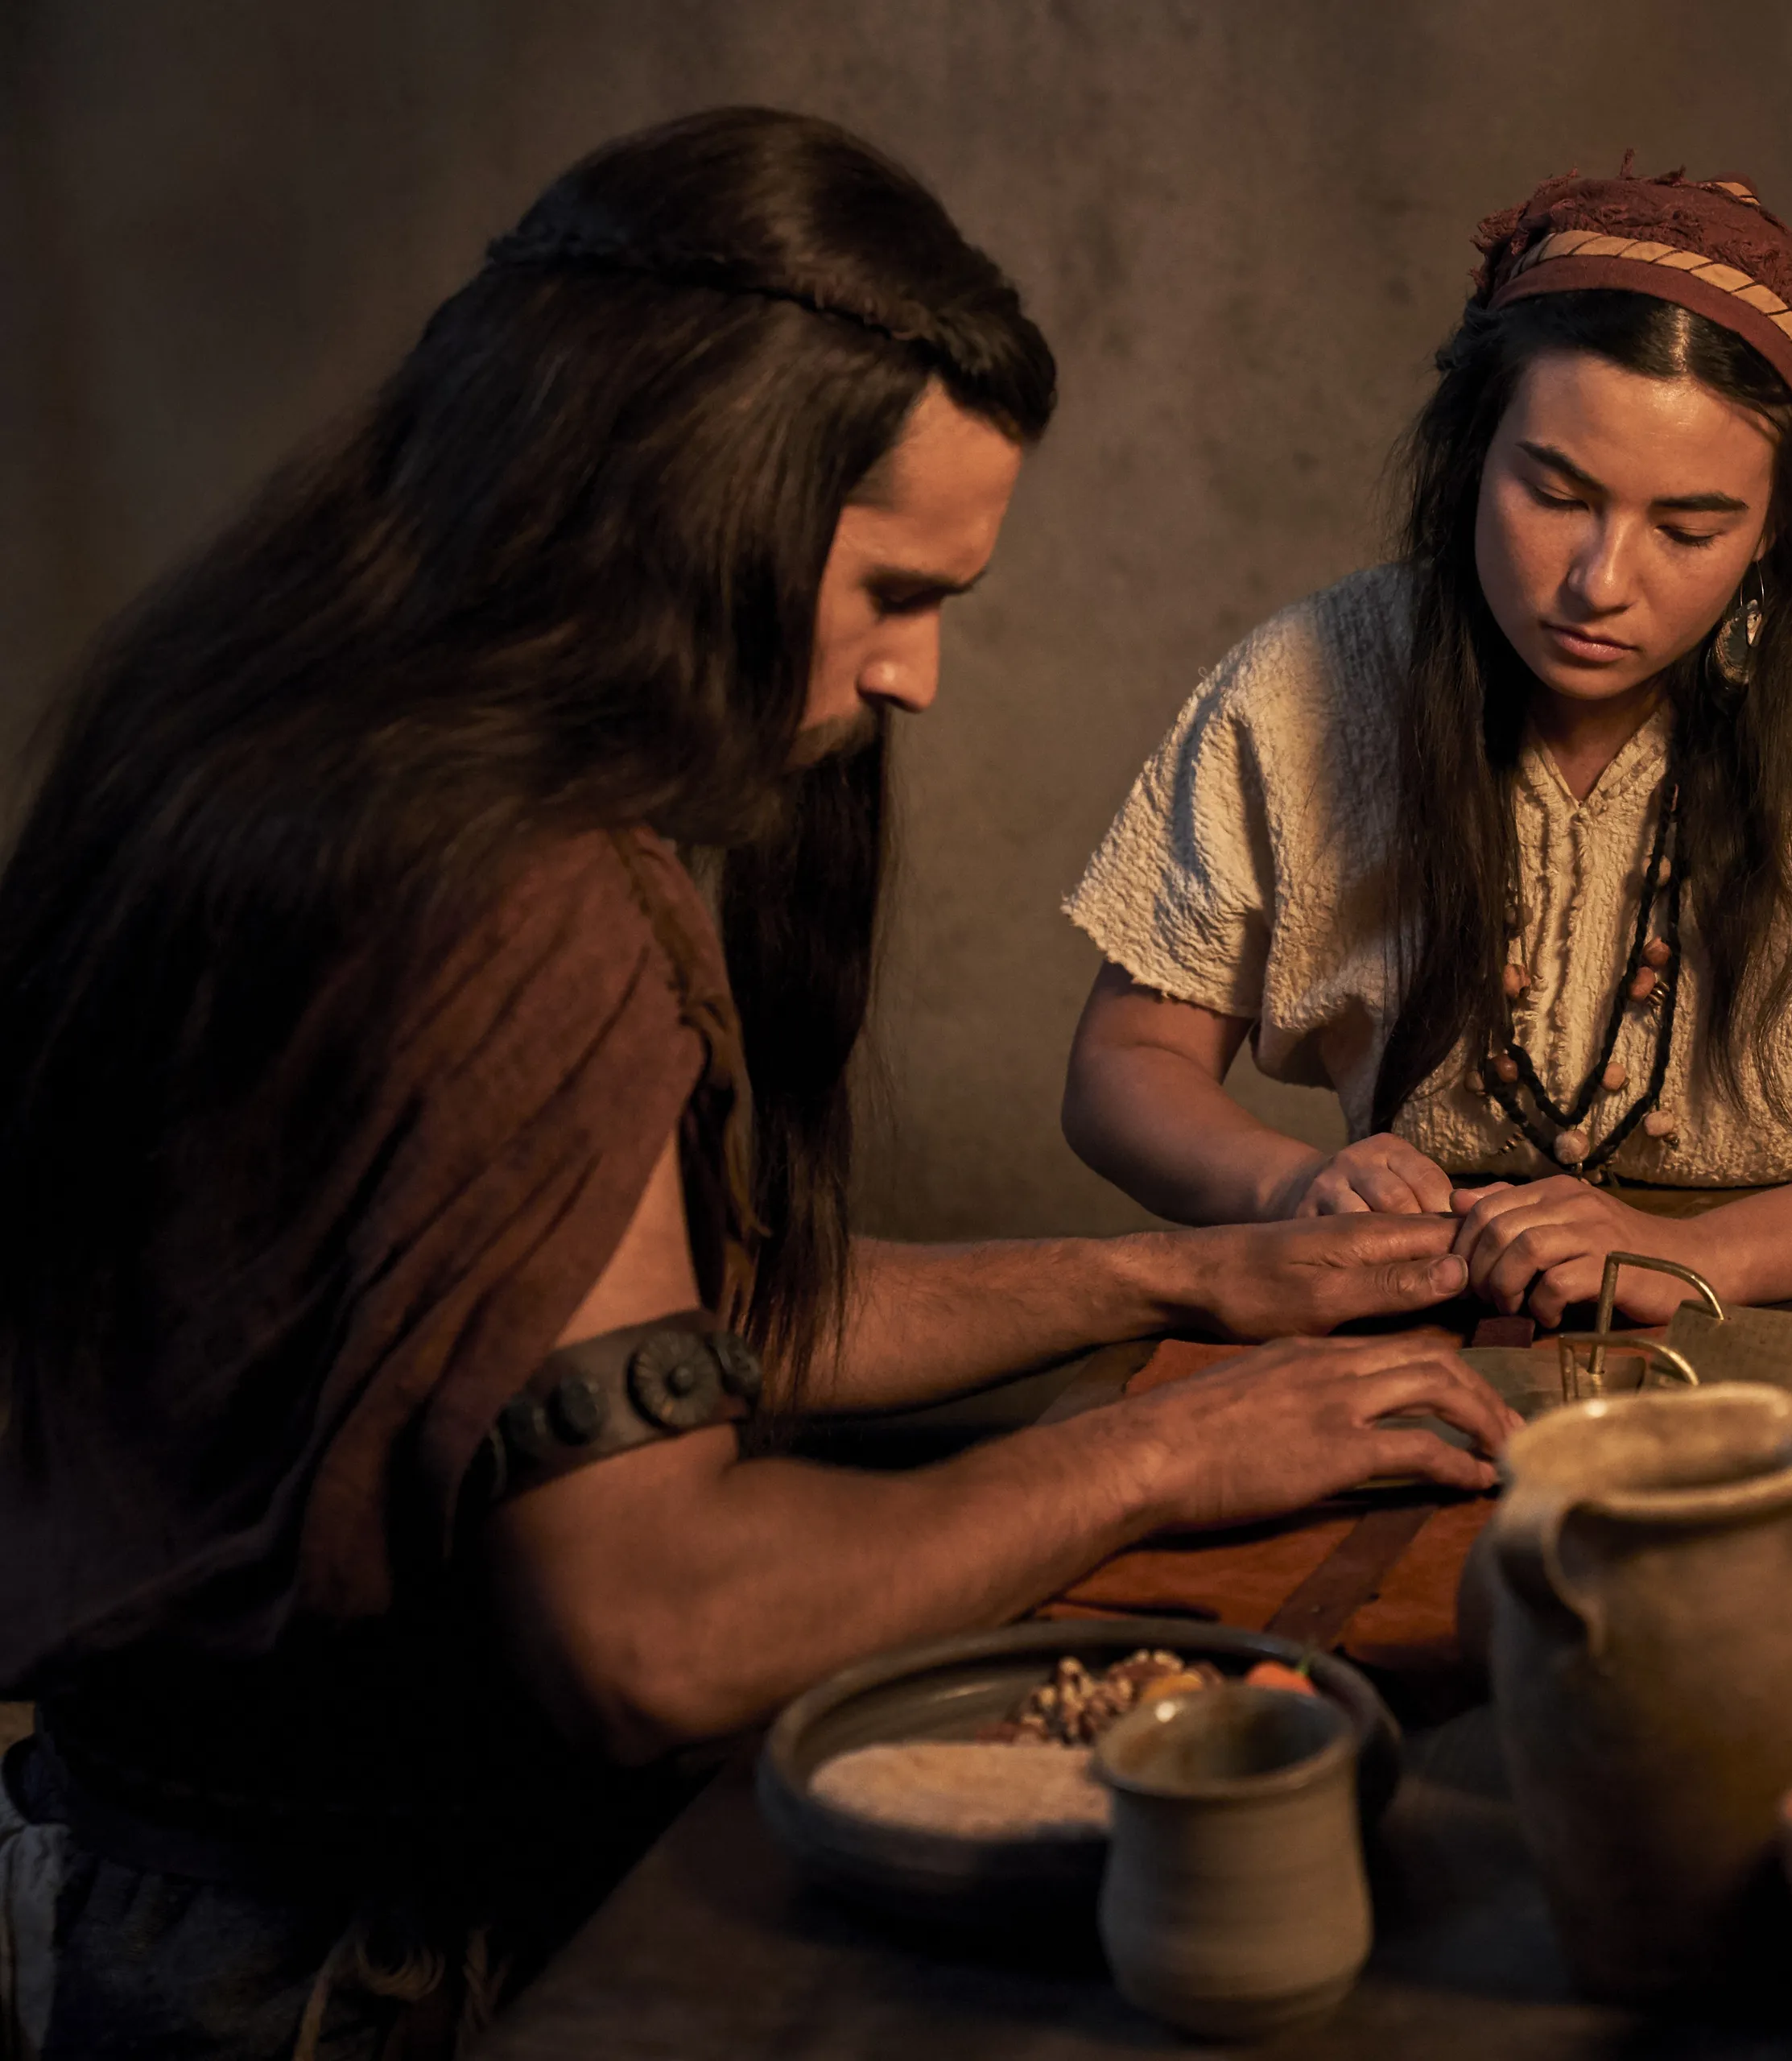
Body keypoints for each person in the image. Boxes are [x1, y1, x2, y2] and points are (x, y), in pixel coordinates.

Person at [0, 109, 1513, 2059]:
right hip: (324, 1971)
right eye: (898, 589)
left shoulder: (251, 716)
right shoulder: (518, 888)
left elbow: (643, 1329)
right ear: (688, 489)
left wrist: (1176, 1284)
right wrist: (1161, 1449)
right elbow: (658, 1631)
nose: (917, 680)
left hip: (124, 1887)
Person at [1062, 166, 1792, 1324]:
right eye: (1554, 493)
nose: (1601, 584)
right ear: (1472, 457)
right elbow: (1125, 1068)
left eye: (1691, 527)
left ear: (1769, 533)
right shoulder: (1316, 677)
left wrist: (1700, 1256)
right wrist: (1292, 1180)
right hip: (1431, 1315)